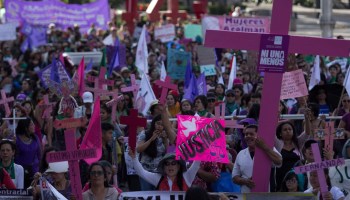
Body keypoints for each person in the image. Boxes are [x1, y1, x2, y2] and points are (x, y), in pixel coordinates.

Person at [232, 124, 282, 192]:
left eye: (251, 134)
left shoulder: (268, 148)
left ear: (258, 136)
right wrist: (245, 181)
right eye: (246, 134)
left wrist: (264, 147)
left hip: (265, 193)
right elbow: (234, 177)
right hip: (246, 194)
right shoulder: (241, 154)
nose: (248, 136)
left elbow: (279, 161)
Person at [129, 151, 200, 191]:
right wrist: (134, 158)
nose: (170, 166)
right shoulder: (159, 178)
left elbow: (196, 164)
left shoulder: (187, 176)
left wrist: (202, 145)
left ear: (178, 166)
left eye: (173, 163)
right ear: (163, 167)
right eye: (167, 164)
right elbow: (141, 173)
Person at [136, 114, 169, 191]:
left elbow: (167, 153)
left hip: (159, 172)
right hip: (145, 171)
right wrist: (151, 139)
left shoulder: (165, 136)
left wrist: (165, 140)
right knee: (147, 193)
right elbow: (139, 149)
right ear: (154, 123)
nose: (159, 126)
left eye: (162, 124)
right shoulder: (145, 133)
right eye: (158, 123)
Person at [14, 117, 41, 188]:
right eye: (32, 124)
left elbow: (39, 155)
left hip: (34, 172)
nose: (34, 126)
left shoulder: (35, 138)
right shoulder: (15, 139)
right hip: (20, 172)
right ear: (26, 127)